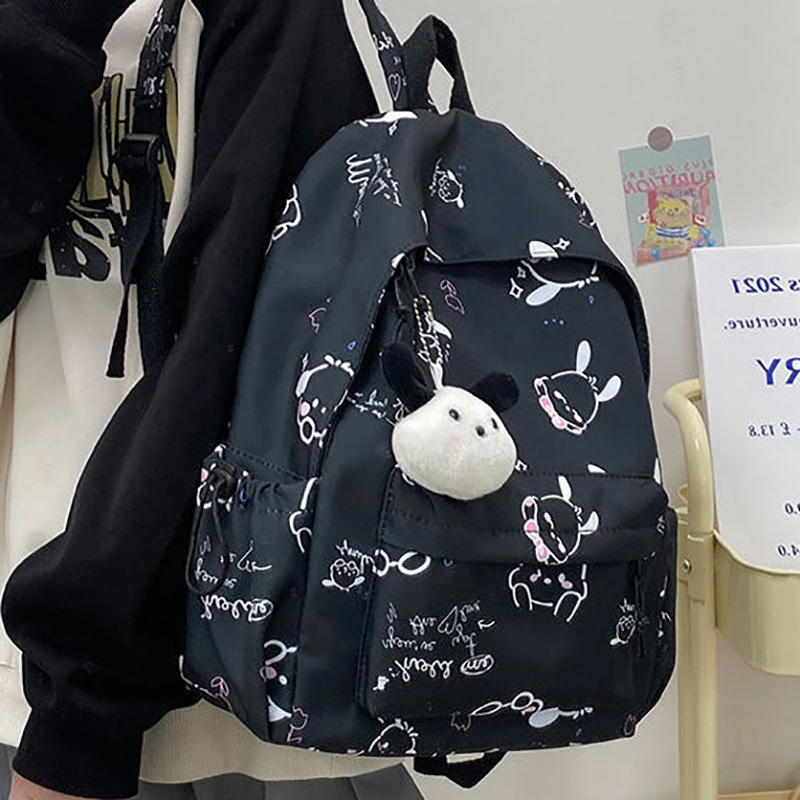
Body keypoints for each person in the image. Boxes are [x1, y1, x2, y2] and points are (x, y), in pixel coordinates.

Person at [0, 0, 422, 797]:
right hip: (36, 656)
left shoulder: (286, 22)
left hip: (219, 688)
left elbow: (244, 377)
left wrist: (76, 728)